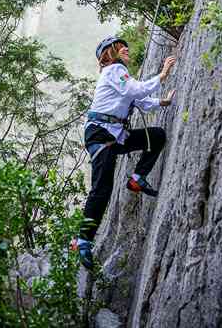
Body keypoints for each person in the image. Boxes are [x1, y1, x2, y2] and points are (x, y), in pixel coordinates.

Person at [71, 36, 177, 270]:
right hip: (101, 135)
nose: (126, 49)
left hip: (113, 134)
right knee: (102, 187)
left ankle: (137, 178)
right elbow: (135, 89)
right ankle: (83, 239)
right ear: (109, 54)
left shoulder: (118, 74)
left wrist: (162, 103)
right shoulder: (114, 70)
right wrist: (162, 75)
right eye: (121, 47)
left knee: (157, 136)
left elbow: (139, 99)